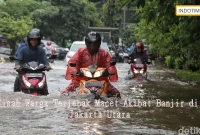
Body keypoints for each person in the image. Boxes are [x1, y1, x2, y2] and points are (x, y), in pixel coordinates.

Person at [61, 31, 121, 98]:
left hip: (101, 79)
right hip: (81, 78)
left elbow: (109, 64)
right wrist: (76, 71)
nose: (92, 46)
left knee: (116, 93)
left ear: (99, 43)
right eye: (90, 43)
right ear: (87, 43)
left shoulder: (104, 54)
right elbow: (74, 62)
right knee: (65, 93)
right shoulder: (81, 52)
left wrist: (109, 71)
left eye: (95, 44)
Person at [15, 28, 51, 95]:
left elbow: (45, 61)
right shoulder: (23, 50)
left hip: (38, 72)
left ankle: (45, 93)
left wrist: (47, 66)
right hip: (25, 71)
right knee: (18, 77)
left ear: (38, 40)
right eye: (32, 40)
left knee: (44, 76)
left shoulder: (41, 50)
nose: (33, 41)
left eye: (35, 40)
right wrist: (17, 65)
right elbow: (18, 60)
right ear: (29, 40)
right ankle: (16, 93)